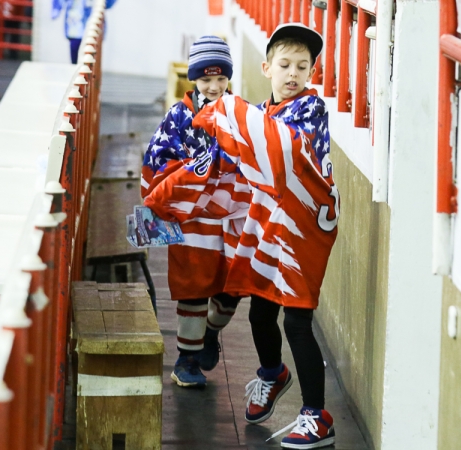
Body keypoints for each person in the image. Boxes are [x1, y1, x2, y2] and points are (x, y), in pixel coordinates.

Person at [145, 23, 339, 449]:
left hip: (302, 232)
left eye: (303, 67)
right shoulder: (258, 112)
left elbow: (279, 151)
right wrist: (168, 195)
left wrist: (229, 116)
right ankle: (272, 374)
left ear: (311, 74)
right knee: (257, 312)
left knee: (298, 320)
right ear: (266, 67)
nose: (293, 74)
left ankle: (317, 414)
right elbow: (227, 157)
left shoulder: (309, 109)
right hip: (265, 226)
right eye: (285, 65)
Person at [141, 36, 247, 389]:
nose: (214, 86)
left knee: (233, 287)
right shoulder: (178, 116)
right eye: (205, 79)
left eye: (221, 78)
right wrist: (193, 173)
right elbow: (156, 162)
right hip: (192, 219)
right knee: (193, 288)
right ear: (194, 80)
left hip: (232, 216)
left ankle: (210, 332)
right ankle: (185, 360)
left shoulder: (242, 112)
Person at [51, 0, 117, 64]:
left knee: (91, 60)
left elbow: (108, 4)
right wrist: (56, 9)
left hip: (93, 27)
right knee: (76, 59)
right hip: (74, 26)